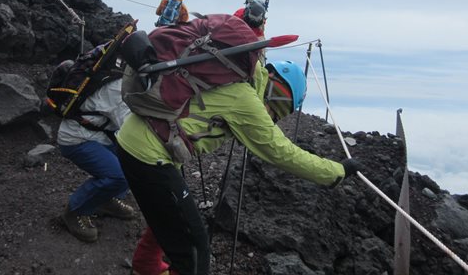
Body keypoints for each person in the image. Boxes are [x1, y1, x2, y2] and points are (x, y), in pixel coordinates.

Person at [116, 59, 363, 275]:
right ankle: (145, 267)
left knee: (172, 215)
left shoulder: (235, 75)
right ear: (275, 87)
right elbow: (282, 153)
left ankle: (145, 266)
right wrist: (336, 172)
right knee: (195, 250)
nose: (274, 114)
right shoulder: (245, 99)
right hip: (149, 154)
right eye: (280, 106)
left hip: (135, 138)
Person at [54, 60, 137, 243]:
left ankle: (105, 200)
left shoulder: (123, 81)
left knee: (130, 164)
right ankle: (74, 212)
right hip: (77, 139)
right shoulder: (119, 89)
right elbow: (131, 130)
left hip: (97, 135)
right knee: (120, 174)